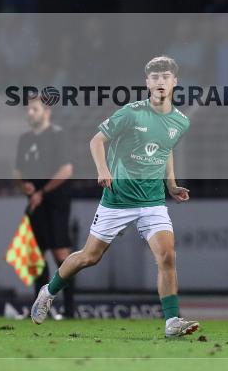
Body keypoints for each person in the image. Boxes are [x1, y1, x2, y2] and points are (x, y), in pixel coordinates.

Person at [30, 56, 199, 338]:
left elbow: (165, 148)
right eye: (155, 77)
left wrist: (171, 184)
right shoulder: (131, 113)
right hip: (118, 199)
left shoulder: (180, 121)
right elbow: (96, 141)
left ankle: (171, 322)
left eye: (165, 76)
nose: (160, 82)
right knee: (89, 257)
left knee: (167, 256)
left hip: (152, 201)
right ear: (147, 83)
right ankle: (48, 291)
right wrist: (103, 169)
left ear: (174, 82)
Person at [15, 96, 75, 318]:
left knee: (61, 254)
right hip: (35, 203)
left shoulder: (59, 136)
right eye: (28, 109)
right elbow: (18, 172)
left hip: (55, 202)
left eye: (34, 109)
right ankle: (39, 308)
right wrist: (25, 186)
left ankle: (69, 311)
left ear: (46, 111)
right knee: (35, 255)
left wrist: (42, 192)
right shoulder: (24, 139)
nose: (30, 113)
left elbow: (66, 170)